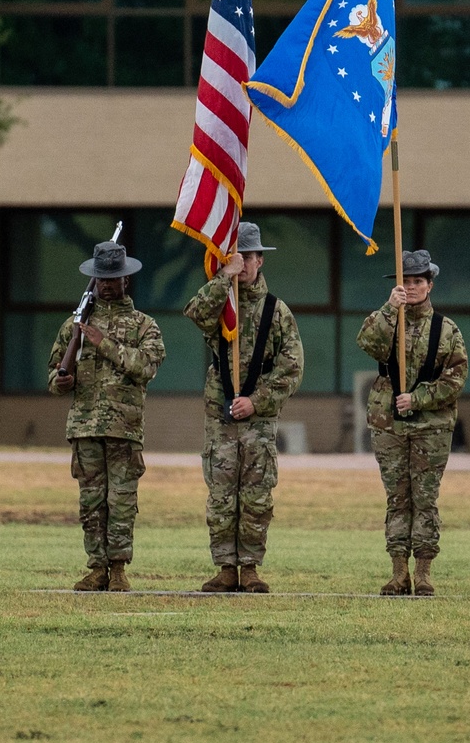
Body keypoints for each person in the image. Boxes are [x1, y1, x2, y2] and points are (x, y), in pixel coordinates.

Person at [185, 221, 304, 594]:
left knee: (255, 494)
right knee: (221, 494)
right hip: (221, 416)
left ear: (260, 261)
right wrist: (224, 279)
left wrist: (257, 401)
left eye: (249, 258)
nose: (245, 264)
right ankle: (225, 566)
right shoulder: (222, 304)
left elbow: (292, 366)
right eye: (238, 258)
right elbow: (196, 313)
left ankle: (250, 567)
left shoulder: (277, 311)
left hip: (258, 420)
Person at [48, 239, 166, 593]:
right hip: (84, 427)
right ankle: (96, 566)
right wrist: (62, 380)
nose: (107, 284)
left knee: (122, 501)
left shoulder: (145, 325)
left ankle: (118, 569)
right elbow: (54, 376)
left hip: (123, 429)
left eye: (113, 278)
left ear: (126, 279)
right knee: (91, 502)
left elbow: (146, 367)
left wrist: (104, 343)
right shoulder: (74, 327)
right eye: (102, 279)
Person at [357, 249, 468, 597]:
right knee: (397, 498)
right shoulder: (387, 320)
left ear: (430, 284)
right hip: (389, 424)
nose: (412, 286)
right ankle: (397, 571)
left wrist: (418, 398)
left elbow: (456, 379)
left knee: (425, 498)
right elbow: (367, 343)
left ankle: (423, 572)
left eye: (418, 281)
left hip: (430, 428)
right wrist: (390, 308)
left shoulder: (447, 330)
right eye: (406, 281)